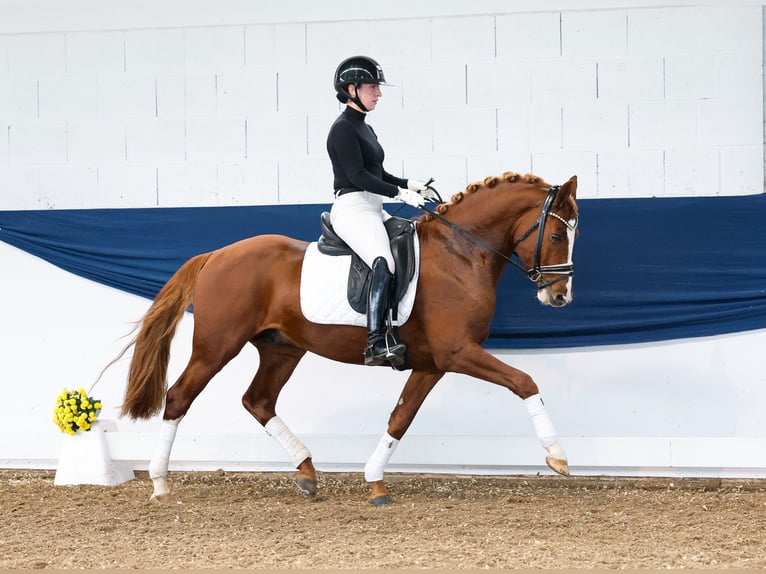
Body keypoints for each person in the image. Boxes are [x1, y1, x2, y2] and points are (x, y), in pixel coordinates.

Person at [327, 55, 435, 367]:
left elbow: (378, 173)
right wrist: (398, 193)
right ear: (352, 89)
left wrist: (410, 184)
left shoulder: (365, 129)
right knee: (382, 261)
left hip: (372, 207)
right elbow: (359, 177)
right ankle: (375, 341)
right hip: (352, 207)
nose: (378, 93)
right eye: (372, 87)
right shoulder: (343, 129)